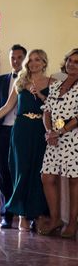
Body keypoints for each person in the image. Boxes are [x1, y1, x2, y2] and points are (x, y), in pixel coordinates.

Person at [0, 50, 52, 231]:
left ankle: (35, 215)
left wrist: (40, 95)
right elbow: (7, 107)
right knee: (20, 172)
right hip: (21, 130)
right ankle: (21, 215)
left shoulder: (52, 82)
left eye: (37, 60)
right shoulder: (20, 82)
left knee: (37, 174)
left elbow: (55, 106)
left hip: (40, 131)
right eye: (31, 60)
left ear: (44, 62)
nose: (33, 63)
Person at [0, 44, 27, 229]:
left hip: (23, 132)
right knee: (4, 174)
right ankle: (7, 214)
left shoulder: (31, 81)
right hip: (2, 132)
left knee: (22, 172)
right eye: (13, 57)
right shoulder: (0, 81)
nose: (16, 61)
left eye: (19, 57)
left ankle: (26, 214)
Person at [39, 48, 78, 238]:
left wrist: (60, 131)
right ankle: (55, 219)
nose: (72, 64)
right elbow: (46, 110)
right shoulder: (56, 85)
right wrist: (49, 132)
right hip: (53, 140)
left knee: (74, 181)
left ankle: (72, 223)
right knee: (47, 177)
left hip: (73, 139)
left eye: (76, 62)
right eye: (70, 60)